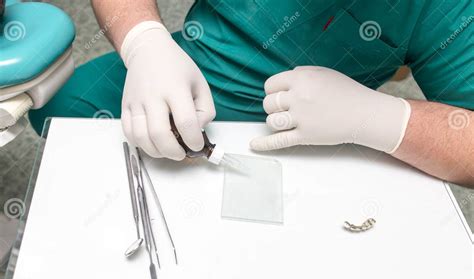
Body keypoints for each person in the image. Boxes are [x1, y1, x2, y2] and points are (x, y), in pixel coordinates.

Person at [30, 0, 473, 186]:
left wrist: (381, 118)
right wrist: (143, 41)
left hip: (316, 137)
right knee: (58, 106)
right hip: (181, 69)